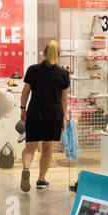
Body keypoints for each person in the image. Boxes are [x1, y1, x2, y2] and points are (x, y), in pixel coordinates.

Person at [19, 40, 71, 191]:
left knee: (30, 148)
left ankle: (26, 168)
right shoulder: (63, 73)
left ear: (44, 53)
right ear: (59, 55)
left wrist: (23, 109)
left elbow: (25, 91)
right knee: (47, 148)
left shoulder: (33, 70)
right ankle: (41, 180)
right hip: (53, 115)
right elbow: (64, 99)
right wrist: (63, 118)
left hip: (35, 112)